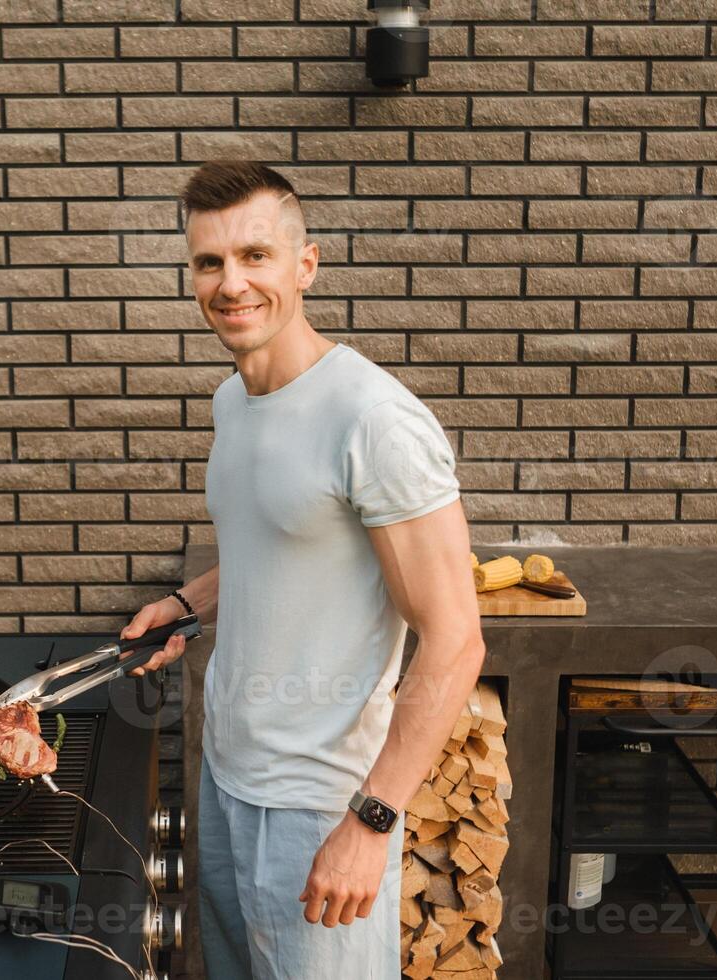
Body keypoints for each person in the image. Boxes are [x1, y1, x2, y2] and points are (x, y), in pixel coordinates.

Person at [119, 159, 486, 979]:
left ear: (305, 265)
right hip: (227, 770)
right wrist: (189, 600)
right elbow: (279, 543)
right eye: (210, 262)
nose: (232, 283)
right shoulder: (233, 400)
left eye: (256, 256)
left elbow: (456, 640)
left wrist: (371, 822)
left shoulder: (374, 420)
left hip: (322, 802)